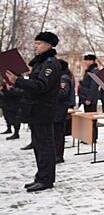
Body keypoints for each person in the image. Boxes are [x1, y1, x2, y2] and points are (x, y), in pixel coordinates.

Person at [4, 31, 61, 192]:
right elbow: (33, 86)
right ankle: (41, 176)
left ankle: (46, 179)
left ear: (49, 45)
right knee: (38, 146)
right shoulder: (40, 63)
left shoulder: (50, 64)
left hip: (44, 110)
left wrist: (19, 81)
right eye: (35, 43)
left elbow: (42, 86)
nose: (36, 46)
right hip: (36, 111)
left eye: (39, 43)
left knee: (45, 147)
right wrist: (18, 84)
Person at [53, 59, 74, 163]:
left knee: (58, 133)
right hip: (58, 109)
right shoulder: (62, 76)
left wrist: (51, 92)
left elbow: (63, 93)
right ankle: (56, 154)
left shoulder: (63, 78)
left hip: (60, 109)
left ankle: (58, 155)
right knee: (57, 133)